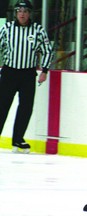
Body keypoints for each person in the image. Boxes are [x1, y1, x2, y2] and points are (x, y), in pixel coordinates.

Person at [0, 0, 53, 153]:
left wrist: (44, 70)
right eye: (19, 11)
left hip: (28, 74)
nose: (22, 14)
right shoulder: (7, 28)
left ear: (30, 13)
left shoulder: (38, 30)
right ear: (16, 13)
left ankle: (18, 139)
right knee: (2, 106)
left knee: (26, 108)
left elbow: (47, 50)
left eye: (25, 11)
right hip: (9, 72)